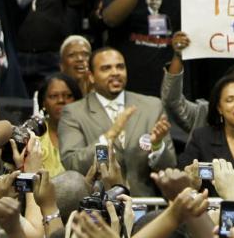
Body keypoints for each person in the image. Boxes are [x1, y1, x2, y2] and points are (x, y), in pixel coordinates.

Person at [56, 45, 175, 194]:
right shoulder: (74, 113)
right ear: (91, 76)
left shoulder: (151, 107)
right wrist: (110, 134)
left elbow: (170, 167)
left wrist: (157, 146)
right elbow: (73, 164)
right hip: (99, 207)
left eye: (120, 67)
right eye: (106, 68)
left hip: (145, 206)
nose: (115, 73)